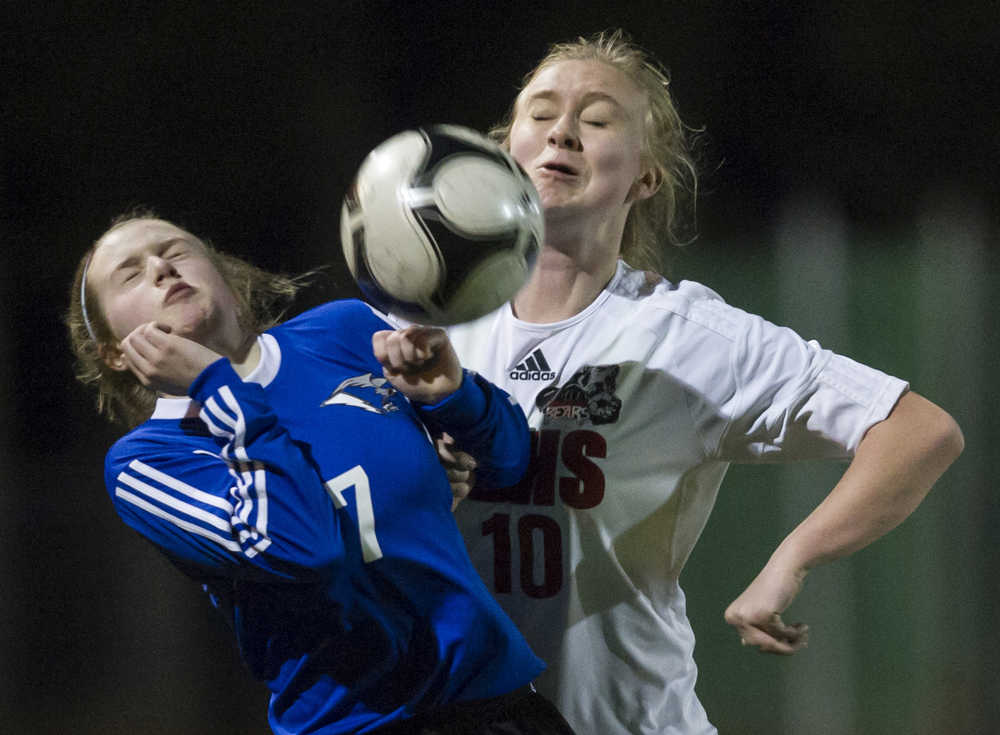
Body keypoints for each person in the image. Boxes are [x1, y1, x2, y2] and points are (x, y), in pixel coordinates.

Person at [439, 30, 965, 735]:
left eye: (596, 120)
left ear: (646, 176)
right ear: (507, 148)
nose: (562, 131)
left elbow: (919, 430)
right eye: (541, 113)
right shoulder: (436, 330)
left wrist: (792, 558)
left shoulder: (682, 336)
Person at [65, 212, 578, 735]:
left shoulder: (343, 330)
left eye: (177, 252)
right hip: (365, 725)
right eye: (130, 274)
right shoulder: (147, 461)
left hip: (501, 702)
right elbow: (303, 546)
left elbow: (511, 462)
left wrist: (454, 396)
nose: (160, 268)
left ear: (226, 277)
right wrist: (218, 386)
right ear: (114, 353)